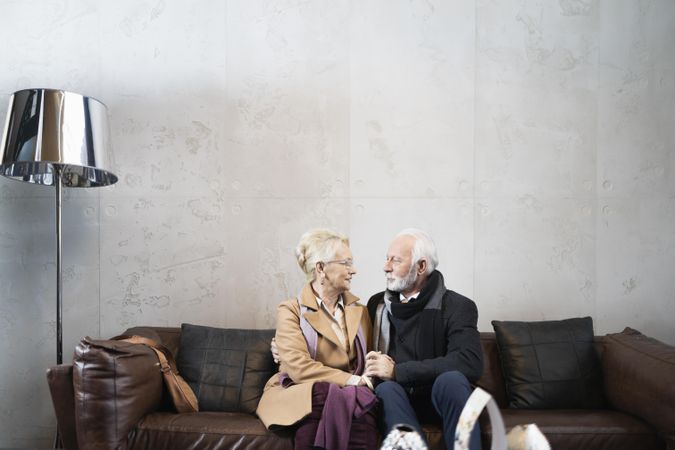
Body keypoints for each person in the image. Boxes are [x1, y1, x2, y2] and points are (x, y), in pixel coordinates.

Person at [256, 229, 379, 450]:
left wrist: (361, 380)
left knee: (348, 403)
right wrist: (351, 381)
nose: (354, 270)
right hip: (305, 391)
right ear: (321, 268)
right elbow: (299, 369)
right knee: (322, 393)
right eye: (346, 263)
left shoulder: (360, 311)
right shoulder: (291, 310)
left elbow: (370, 358)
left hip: (345, 396)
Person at [364, 228, 483, 450]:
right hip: (397, 398)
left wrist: (398, 372)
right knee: (386, 389)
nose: (386, 267)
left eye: (396, 260)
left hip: (440, 397)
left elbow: (469, 362)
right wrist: (285, 345)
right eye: (387, 259)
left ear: (421, 266)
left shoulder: (458, 306)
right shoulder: (376, 305)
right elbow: (344, 338)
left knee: (452, 380)